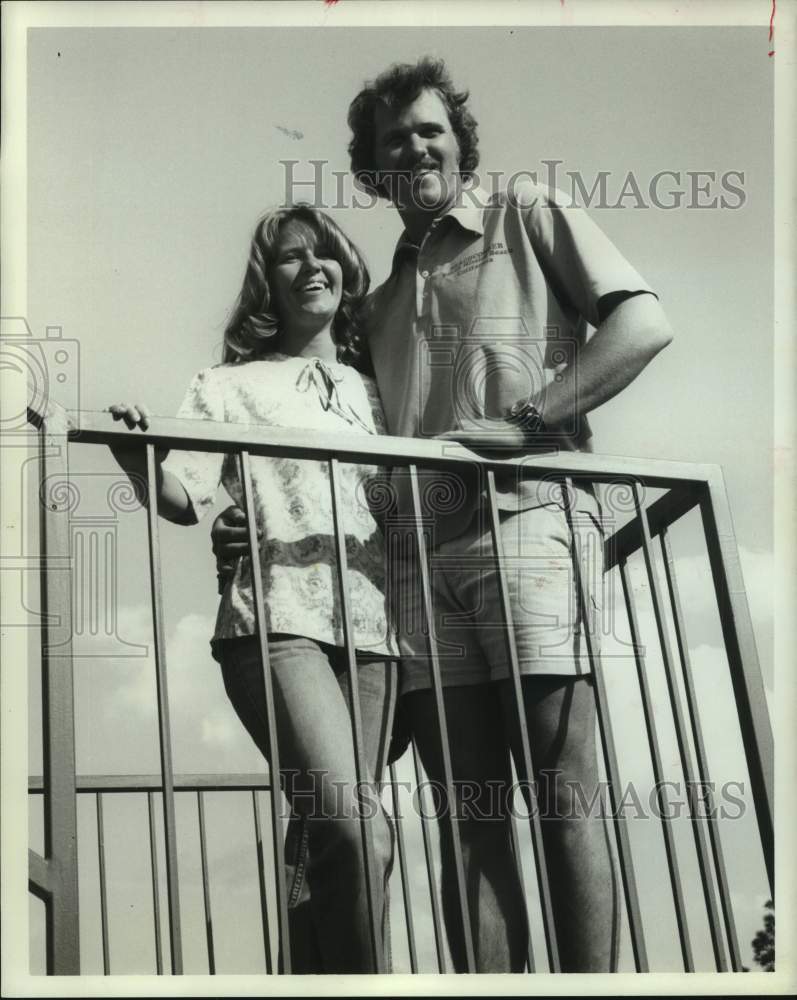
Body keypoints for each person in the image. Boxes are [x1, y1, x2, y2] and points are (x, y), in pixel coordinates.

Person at [213, 57, 674, 972]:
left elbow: (642, 324)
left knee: (562, 789)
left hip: (529, 526)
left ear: (459, 143)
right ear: (373, 168)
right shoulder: (375, 304)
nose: (414, 146)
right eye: (393, 139)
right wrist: (248, 515)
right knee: (469, 819)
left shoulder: (526, 211)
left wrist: (532, 417)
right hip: (416, 572)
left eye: (429, 130)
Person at [107, 205, 398, 974]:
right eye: (290, 259)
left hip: (378, 636)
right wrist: (136, 457)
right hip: (276, 624)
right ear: (265, 283)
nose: (311, 268)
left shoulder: (382, 389)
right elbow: (183, 497)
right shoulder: (227, 386)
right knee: (356, 829)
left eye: (325, 253)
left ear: (346, 269)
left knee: (320, 837)